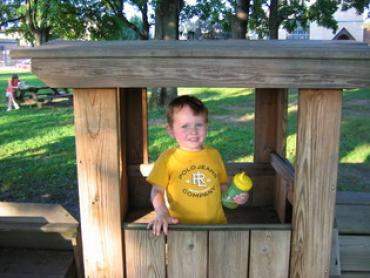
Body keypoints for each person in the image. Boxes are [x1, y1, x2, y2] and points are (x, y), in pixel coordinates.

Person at [147, 95, 249, 235]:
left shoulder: (214, 155)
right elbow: (157, 191)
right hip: (181, 230)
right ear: (170, 130)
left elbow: (221, 185)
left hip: (216, 227)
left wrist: (234, 196)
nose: (193, 131)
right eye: (185, 126)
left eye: (199, 125)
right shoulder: (168, 159)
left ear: (206, 126)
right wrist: (162, 213)